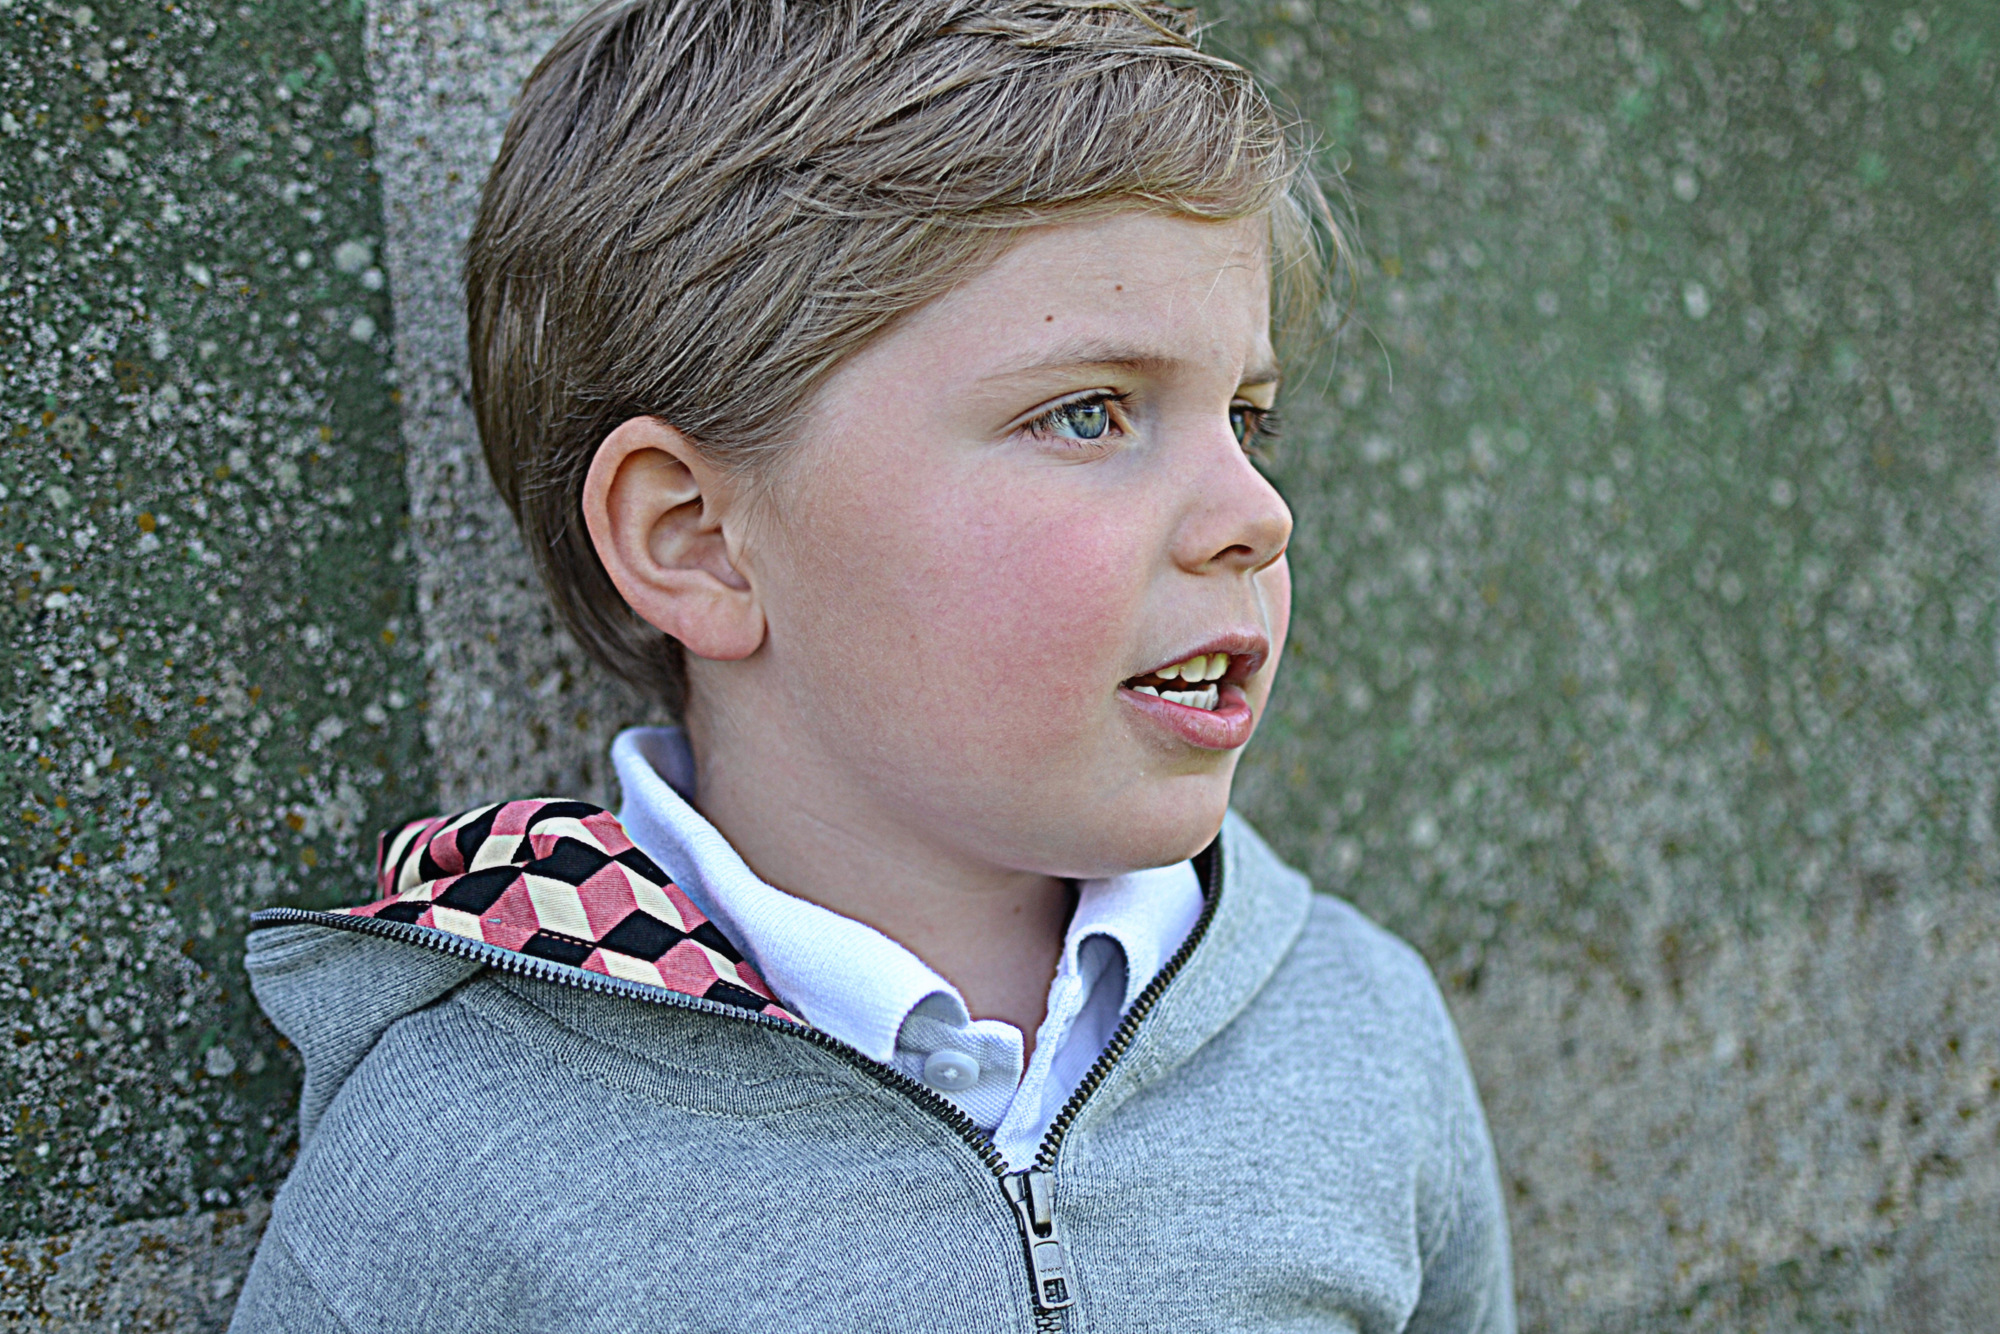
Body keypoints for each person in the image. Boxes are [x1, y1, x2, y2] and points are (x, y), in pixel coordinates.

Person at [230, 1, 1513, 1328]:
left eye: (1246, 416)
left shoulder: (1361, 1035)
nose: (1257, 512)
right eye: (1087, 412)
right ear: (699, 540)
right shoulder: (460, 1158)